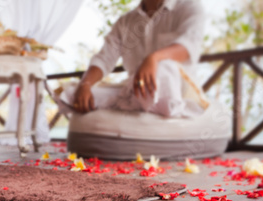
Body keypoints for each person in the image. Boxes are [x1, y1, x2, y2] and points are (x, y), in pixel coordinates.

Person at [64, 0, 208, 118]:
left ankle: (144, 107)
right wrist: (85, 84)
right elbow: (104, 59)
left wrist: (154, 59)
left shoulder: (189, 7)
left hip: (176, 91)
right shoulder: (125, 22)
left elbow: (189, 45)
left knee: (164, 68)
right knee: (72, 93)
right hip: (134, 92)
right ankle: (135, 105)